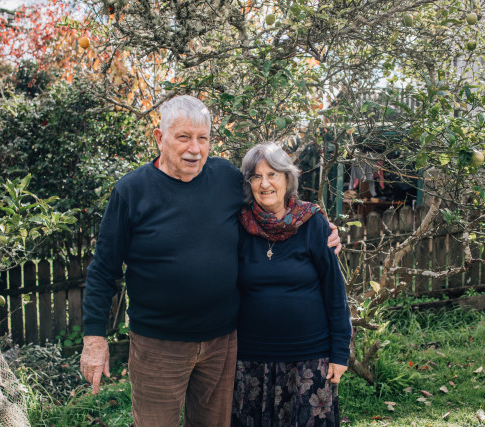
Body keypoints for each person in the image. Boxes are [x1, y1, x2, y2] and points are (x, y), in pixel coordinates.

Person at [80, 95, 342, 427]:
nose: (195, 149)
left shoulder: (225, 177)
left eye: (202, 138)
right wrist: (94, 338)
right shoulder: (131, 191)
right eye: (183, 137)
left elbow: (272, 205)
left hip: (222, 343)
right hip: (159, 344)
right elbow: (104, 269)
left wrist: (317, 226)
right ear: (160, 138)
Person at [232, 143, 352, 427]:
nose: (265, 184)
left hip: (309, 358)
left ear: (287, 178)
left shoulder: (313, 223)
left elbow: (335, 291)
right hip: (251, 359)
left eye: (272, 174)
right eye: (256, 176)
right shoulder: (238, 225)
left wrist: (340, 353)